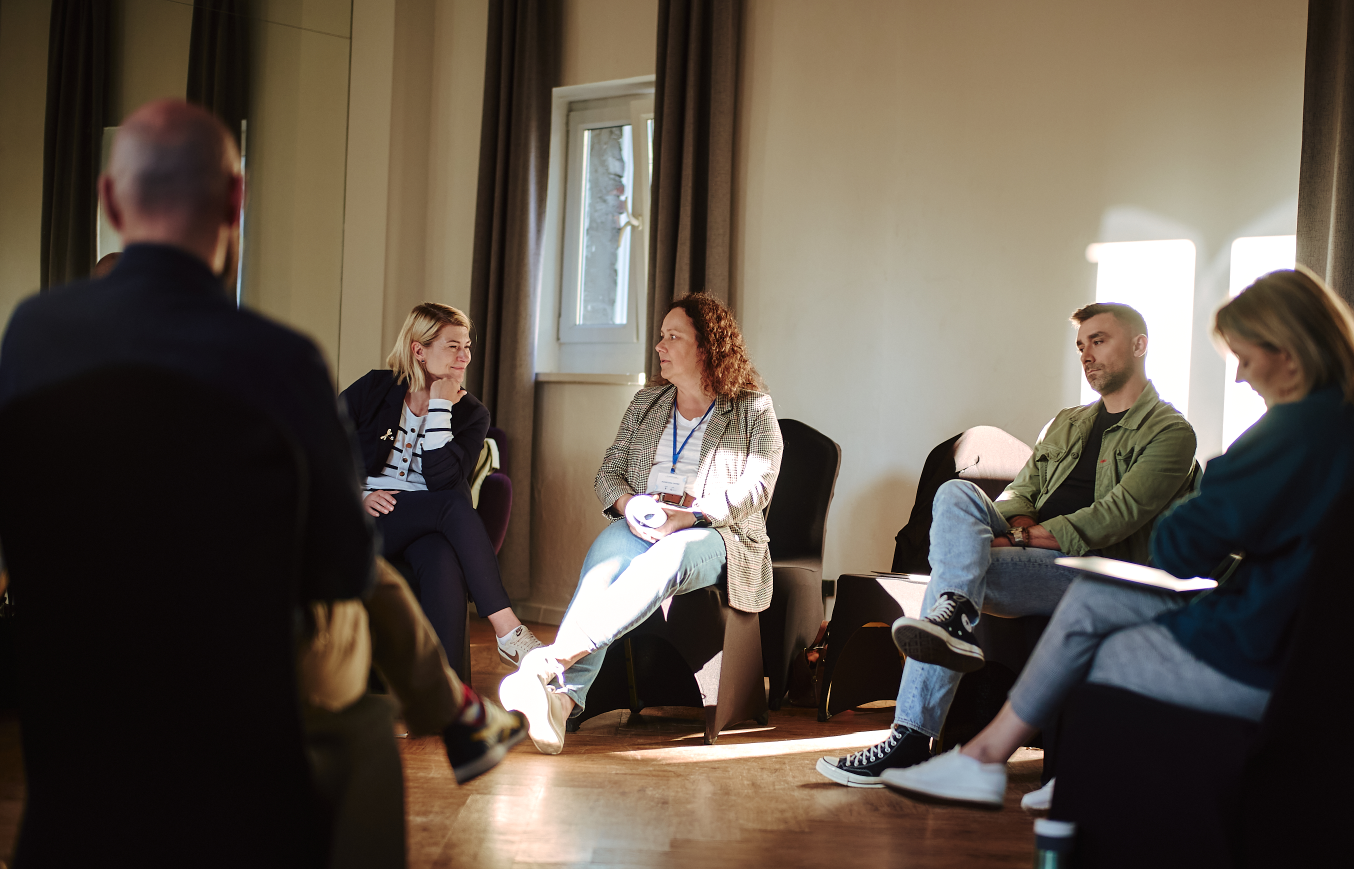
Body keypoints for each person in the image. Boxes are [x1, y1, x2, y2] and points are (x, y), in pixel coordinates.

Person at [0, 100, 521, 782]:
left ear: (111, 200)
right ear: (235, 201)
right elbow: (339, 544)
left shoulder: (32, 331)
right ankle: (454, 712)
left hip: (67, 657)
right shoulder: (278, 355)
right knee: (361, 570)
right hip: (234, 659)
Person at [878, 268, 1354, 806]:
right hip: (1349, 655)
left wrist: (1224, 480)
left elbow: (1179, 547)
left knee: (1091, 606)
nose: (1239, 378)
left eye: (1245, 358)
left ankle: (1001, 758)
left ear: (1290, 352)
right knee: (962, 513)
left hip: (1266, 644)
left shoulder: (1281, 432)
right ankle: (996, 734)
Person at [816, 303, 1198, 789]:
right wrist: (1017, 523)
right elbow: (1021, 492)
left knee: (954, 573)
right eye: (1081, 345)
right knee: (955, 493)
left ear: (1140, 345)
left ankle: (911, 735)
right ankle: (952, 615)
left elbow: (1113, 518)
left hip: (1097, 573)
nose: (1086, 354)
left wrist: (1015, 537)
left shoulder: (1170, 432)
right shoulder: (1067, 422)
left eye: (1099, 341)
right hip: (1032, 560)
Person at [500, 292, 783, 754]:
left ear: (706, 346)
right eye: (660, 335)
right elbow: (608, 471)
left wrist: (691, 515)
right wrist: (628, 504)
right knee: (602, 570)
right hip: (644, 520)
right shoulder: (648, 401)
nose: (659, 346)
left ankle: (548, 663)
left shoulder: (752, 407)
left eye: (673, 336)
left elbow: (758, 486)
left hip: (715, 533)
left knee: (669, 557)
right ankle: (562, 704)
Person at [340, 302, 542, 671]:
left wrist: (439, 409)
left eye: (467, 346)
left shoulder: (472, 413)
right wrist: (358, 493)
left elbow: (443, 480)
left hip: (429, 522)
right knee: (451, 507)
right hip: (367, 519)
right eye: (452, 346)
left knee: (441, 560)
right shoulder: (374, 388)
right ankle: (508, 630)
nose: (464, 356)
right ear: (419, 350)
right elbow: (322, 446)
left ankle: (452, 694)